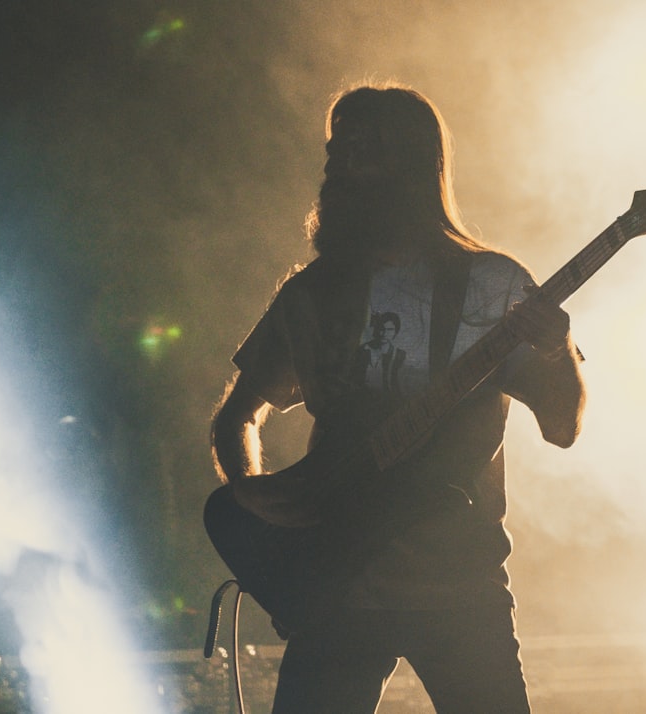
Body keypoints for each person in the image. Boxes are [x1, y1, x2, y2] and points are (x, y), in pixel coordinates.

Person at [209, 83, 585, 713]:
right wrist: (269, 520)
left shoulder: (491, 285)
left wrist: (555, 348)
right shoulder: (314, 293)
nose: (339, 163)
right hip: (339, 592)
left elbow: (561, 427)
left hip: (460, 586)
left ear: (414, 164)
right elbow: (237, 416)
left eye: (363, 147)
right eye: (336, 147)